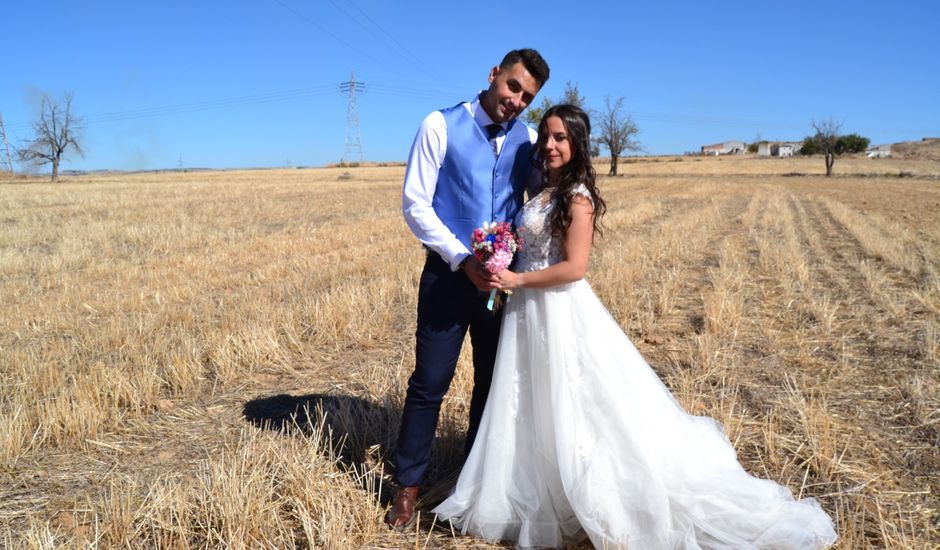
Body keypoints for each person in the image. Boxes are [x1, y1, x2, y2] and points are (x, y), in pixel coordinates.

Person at [432, 104, 839, 549]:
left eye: (560, 138)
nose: (548, 145)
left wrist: (517, 279)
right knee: (528, 399)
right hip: (527, 310)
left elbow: (575, 268)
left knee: (575, 399)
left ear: (577, 144)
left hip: (555, 308)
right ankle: (535, 483)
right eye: (545, 137)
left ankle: (584, 489)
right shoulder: (546, 190)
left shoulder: (577, 195)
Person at [389, 48, 551, 528]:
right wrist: (462, 259)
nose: (517, 101)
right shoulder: (439, 126)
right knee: (429, 383)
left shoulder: (527, 139)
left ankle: (476, 479)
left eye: (528, 97)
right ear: (493, 75)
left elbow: (541, 196)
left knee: (492, 382)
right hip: (447, 276)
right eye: (513, 87)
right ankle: (407, 486)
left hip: (501, 284)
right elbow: (416, 204)